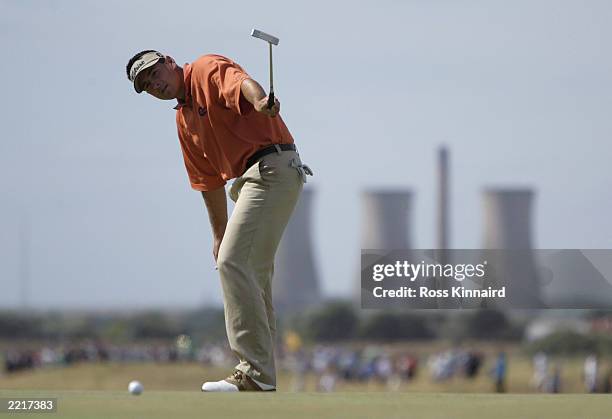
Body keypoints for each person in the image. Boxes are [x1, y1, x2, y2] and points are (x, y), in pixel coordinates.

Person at [125, 50, 312, 392]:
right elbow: (208, 181)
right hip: (252, 180)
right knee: (250, 273)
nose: (155, 84)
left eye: (155, 74)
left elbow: (240, 84)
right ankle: (263, 378)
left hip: (271, 168)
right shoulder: (184, 121)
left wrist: (260, 103)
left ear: (169, 61)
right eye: (147, 85)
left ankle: (254, 373)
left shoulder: (205, 68)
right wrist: (218, 234)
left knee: (232, 262)